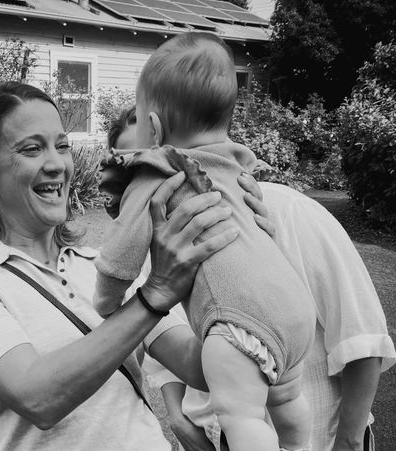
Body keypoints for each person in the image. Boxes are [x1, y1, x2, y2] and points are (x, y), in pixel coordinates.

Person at [0, 81, 255, 451]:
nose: (56, 165)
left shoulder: (99, 266)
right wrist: (155, 295)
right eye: (32, 149)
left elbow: (199, 367)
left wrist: (245, 241)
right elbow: (38, 397)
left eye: (62, 146)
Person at [108, 92, 396, 451]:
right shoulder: (149, 250)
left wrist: (350, 442)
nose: (148, 179)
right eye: (133, 168)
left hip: (321, 439)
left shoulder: (286, 210)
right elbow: (159, 339)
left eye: (151, 160)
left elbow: (362, 332)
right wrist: (177, 413)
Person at [94, 32, 315, 451]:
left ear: (154, 128)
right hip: (295, 306)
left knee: (243, 415)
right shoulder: (235, 166)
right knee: (286, 400)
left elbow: (121, 248)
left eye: (138, 121)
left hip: (239, 320)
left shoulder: (158, 166)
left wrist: (107, 299)